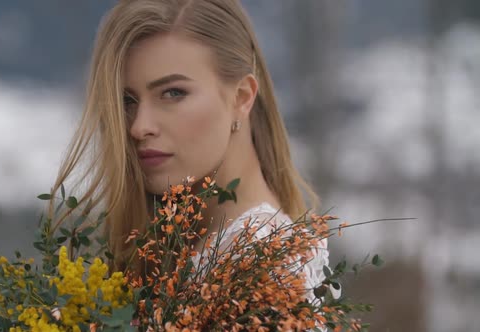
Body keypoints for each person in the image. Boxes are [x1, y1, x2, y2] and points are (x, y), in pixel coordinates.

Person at [49, 0, 340, 303]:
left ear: (241, 97)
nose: (139, 127)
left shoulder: (262, 267)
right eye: (127, 100)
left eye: (173, 93)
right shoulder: (186, 251)